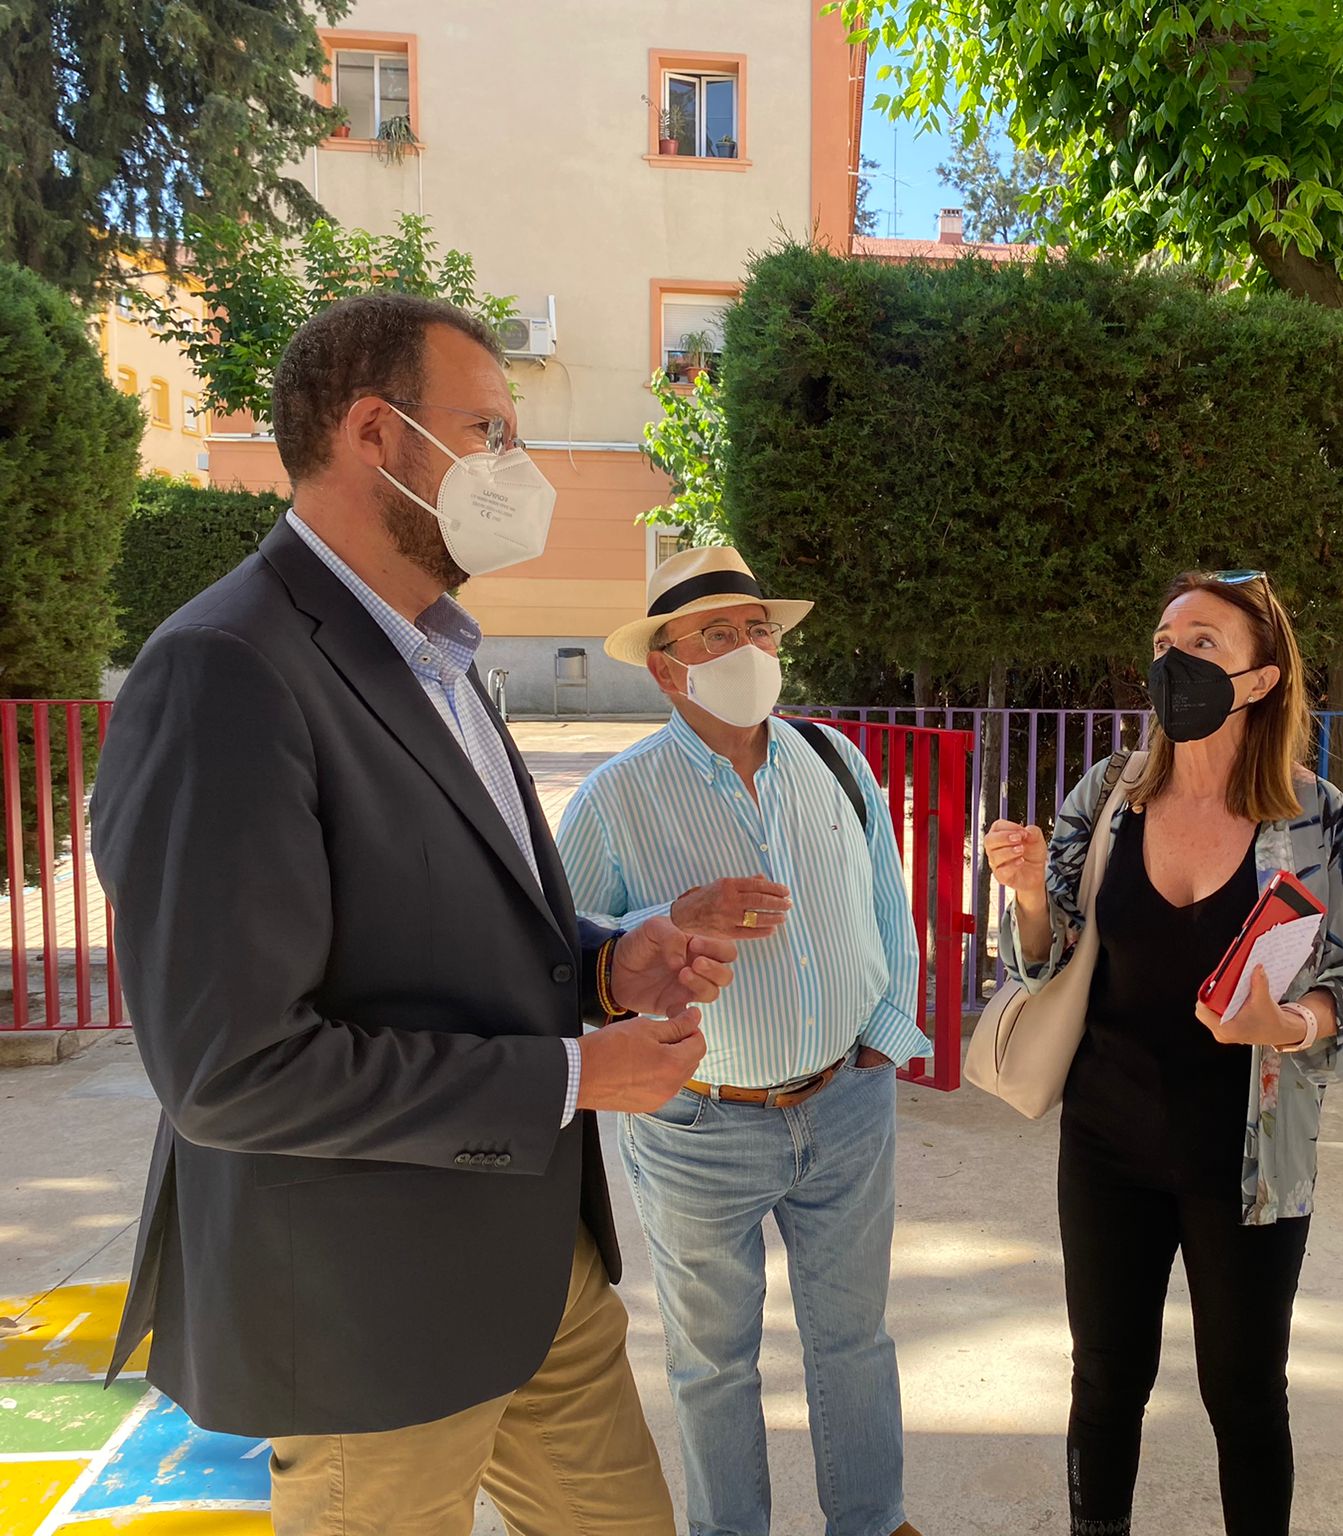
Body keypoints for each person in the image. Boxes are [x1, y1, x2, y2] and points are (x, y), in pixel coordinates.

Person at [88, 293, 738, 1536]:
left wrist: (609, 962)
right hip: (364, 1318)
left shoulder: (436, 652)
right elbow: (231, 1070)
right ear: (377, 436)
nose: (518, 470)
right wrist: (569, 1078)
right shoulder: (226, 668)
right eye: (489, 432)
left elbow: (445, 926)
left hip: (539, 1274)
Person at [987, 570, 1343, 1536]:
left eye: (1204, 643)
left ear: (1258, 680)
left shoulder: (1313, 815)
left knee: (1244, 1395)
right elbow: (1046, 961)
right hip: (1108, 1143)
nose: (1174, 658)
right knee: (1106, 1379)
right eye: (1165, 639)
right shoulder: (1110, 796)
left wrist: (1288, 1027)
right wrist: (1034, 895)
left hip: (1247, 1159)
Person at [557, 544, 928, 1536]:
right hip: (696, 1127)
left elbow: (881, 899)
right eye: (716, 633)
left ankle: (872, 1519)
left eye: (757, 626)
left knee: (852, 1339)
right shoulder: (612, 801)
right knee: (712, 1361)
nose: (748, 646)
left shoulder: (834, 761)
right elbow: (551, 961)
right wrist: (673, 912)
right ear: (667, 667)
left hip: (845, 1104)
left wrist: (884, 1032)